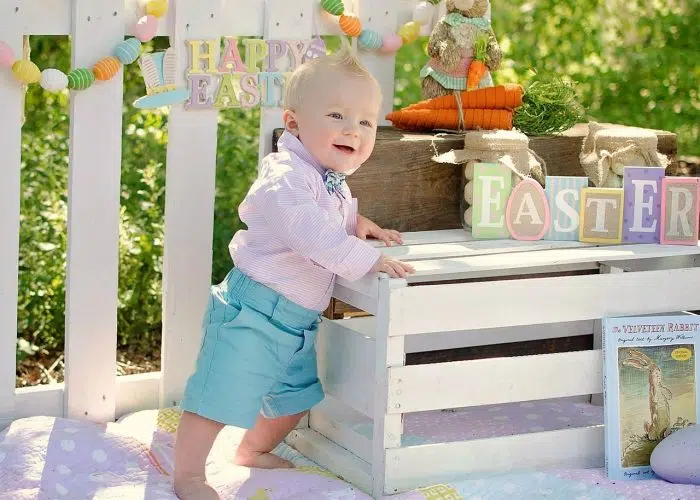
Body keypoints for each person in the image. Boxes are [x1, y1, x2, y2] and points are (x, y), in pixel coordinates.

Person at [173, 44, 415, 499]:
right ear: (293, 123)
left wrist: (358, 226)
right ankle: (187, 475)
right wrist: (367, 259)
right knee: (217, 396)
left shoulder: (326, 177)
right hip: (255, 311)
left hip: (298, 319)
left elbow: (327, 220)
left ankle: (249, 450)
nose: (354, 129)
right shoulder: (283, 175)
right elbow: (308, 232)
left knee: (293, 400)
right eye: (338, 116)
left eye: (366, 121)